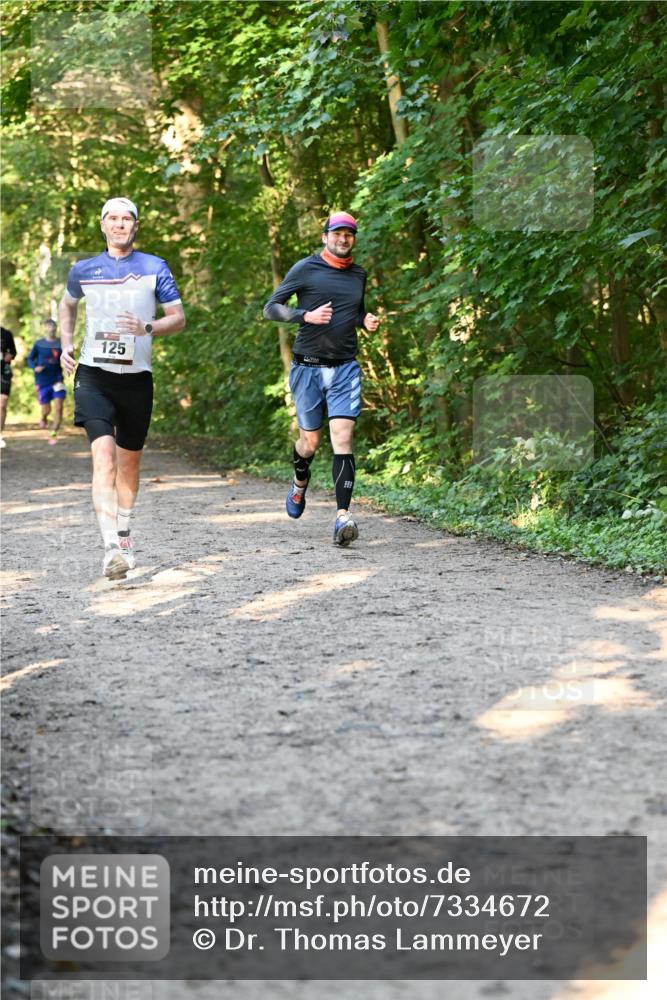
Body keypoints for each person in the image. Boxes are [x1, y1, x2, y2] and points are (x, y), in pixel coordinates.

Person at [59, 197, 185, 579]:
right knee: (104, 457)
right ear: (102, 225)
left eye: (126, 218)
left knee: (129, 464)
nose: (119, 224)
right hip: (94, 374)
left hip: (136, 379)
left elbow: (177, 319)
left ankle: (125, 532)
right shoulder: (83, 269)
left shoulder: (154, 267)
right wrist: (66, 343)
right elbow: (67, 305)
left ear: (135, 225)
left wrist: (146, 328)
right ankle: (110, 546)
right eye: (112, 219)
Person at [263, 211, 379, 546]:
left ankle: (343, 516)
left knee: (342, 438)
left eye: (349, 234)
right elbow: (270, 308)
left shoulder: (358, 274)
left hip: (344, 367)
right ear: (325, 236)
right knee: (310, 442)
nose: (343, 239)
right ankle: (300, 484)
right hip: (308, 367)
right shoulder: (305, 268)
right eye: (337, 233)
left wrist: (364, 321)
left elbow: (352, 311)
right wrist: (306, 316)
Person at [27, 318, 66, 443]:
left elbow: (67, 357)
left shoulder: (61, 343)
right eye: (48, 326)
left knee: (59, 407)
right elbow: (30, 359)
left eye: (53, 326)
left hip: (58, 380)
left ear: (56, 328)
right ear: (45, 328)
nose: (51, 328)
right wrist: (35, 367)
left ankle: (53, 434)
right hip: (43, 380)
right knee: (46, 409)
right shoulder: (39, 344)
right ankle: (43, 417)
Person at [1, 325, 18, 448]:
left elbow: (13, 351)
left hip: (3, 372)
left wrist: (10, 355)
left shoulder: (6, 333)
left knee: (2, 403)